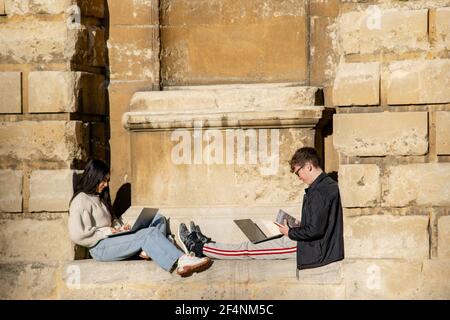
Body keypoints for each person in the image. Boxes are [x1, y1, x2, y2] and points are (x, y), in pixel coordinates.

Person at [178, 147, 344, 273]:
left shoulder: (320, 191)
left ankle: (198, 247)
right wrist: (297, 226)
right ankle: (208, 244)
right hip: (311, 245)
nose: (298, 178)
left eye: (297, 172)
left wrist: (290, 232)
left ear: (308, 166)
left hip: (307, 247)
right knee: (251, 244)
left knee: (247, 250)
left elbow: (315, 230)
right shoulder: (326, 186)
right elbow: (319, 223)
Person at [68, 159, 212, 277]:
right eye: (103, 181)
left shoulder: (99, 198)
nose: (106, 185)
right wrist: (106, 232)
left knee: (158, 218)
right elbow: (77, 235)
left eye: (107, 181)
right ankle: (181, 261)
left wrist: (119, 228)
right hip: (100, 248)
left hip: (113, 240)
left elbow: (111, 222)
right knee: (147, 234)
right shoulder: (81, 200)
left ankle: (148, 250)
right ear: (93, 178)